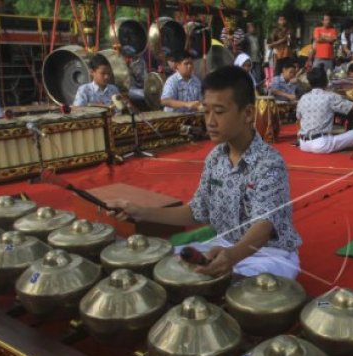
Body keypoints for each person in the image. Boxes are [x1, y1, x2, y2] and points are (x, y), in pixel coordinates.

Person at [111, 66, 302, 279]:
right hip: (223, 246)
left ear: (248, 113)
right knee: (162, 264)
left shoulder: (269, 163)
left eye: (219, 112)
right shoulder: (215, 158)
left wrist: (232, 257)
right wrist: (141, 212)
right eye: (206, 111)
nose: (210, 121)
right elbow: (197, 211)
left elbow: (264, 226)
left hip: (268, 255)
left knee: (246, 287)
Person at [296, 66, 353, 153]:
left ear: (310, 83)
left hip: (303, 144)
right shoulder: (330, 96)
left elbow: (298, 117)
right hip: (321, 145)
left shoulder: (303, 98)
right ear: (326, 81)